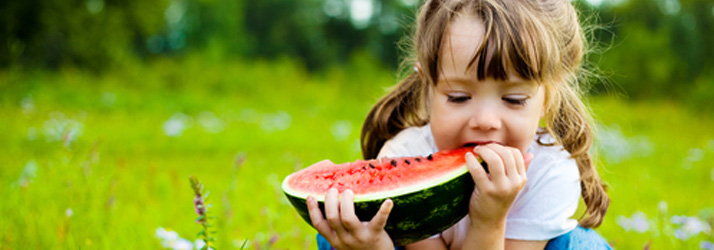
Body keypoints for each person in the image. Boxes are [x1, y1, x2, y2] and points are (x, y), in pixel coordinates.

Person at [306, 0, 612, 249]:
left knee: (580, 245)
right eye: (459, 97)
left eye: (515, 99)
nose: (485, 122)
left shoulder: (550, 171)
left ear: (547, 98)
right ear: (427, 89)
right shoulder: (404, 151)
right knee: (346, 231)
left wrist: (490, 220)